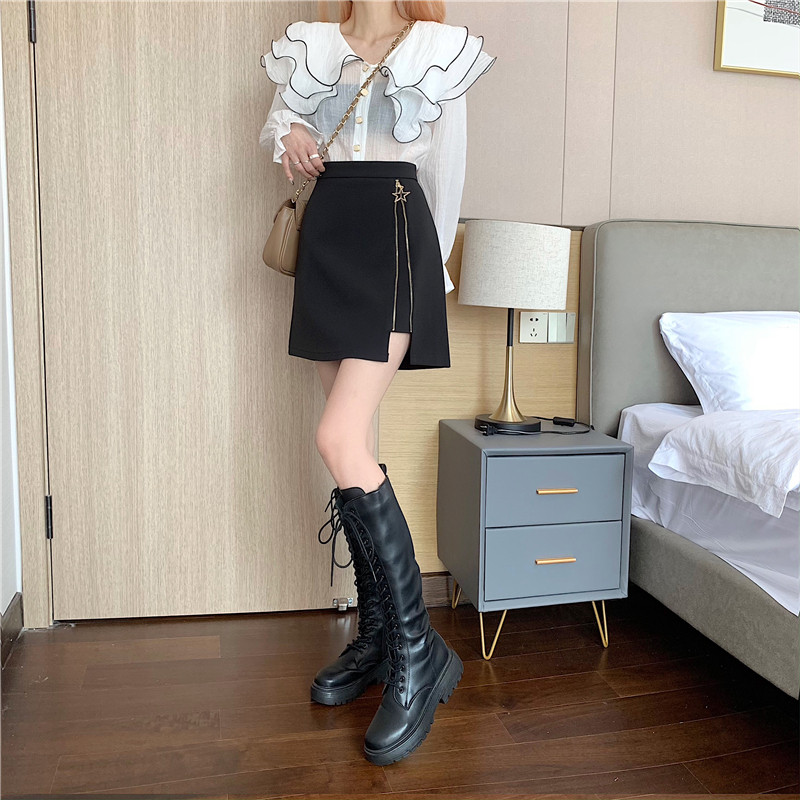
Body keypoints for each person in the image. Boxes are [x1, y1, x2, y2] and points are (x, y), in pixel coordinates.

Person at [259, 0, 496, 765]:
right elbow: (280, 123)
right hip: (329, 232)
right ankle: (377, 637)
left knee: (336, 437)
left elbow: (447, 172)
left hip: (395, 233)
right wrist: (290, 135)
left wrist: (433, 275)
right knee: (350, 442)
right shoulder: (314, 44)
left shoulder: (436, 46)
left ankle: (418, 653)